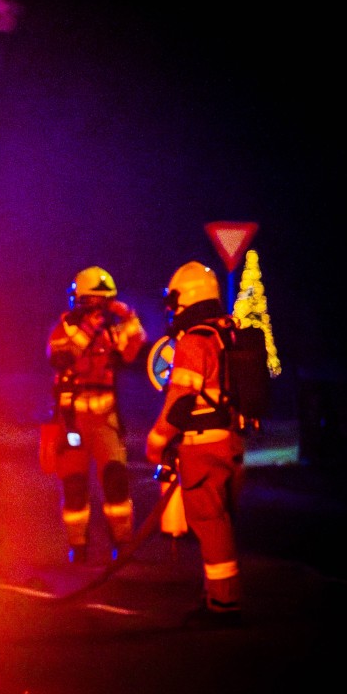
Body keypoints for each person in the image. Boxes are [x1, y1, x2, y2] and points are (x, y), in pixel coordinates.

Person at [145, 261, 245, 626]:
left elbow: (181, 400)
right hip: (229, 441)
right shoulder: (224, 333)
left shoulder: (193, 341)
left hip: (203, 446)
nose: (172, 308)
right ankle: (218, 596)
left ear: (188, 297)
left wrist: (156, 441)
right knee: (221, 521)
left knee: (209, 522)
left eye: (174, 300)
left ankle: (223, 605)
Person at [46, 265, 147, 562]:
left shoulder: (109, 332)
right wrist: (88, 327)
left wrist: (128, 316)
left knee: (116, 478)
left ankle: (122, 541)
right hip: (71, 420)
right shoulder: (63, 329)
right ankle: (78, 545)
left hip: (104, 419)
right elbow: (62, 357)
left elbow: (134, 347)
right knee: (74, 483)